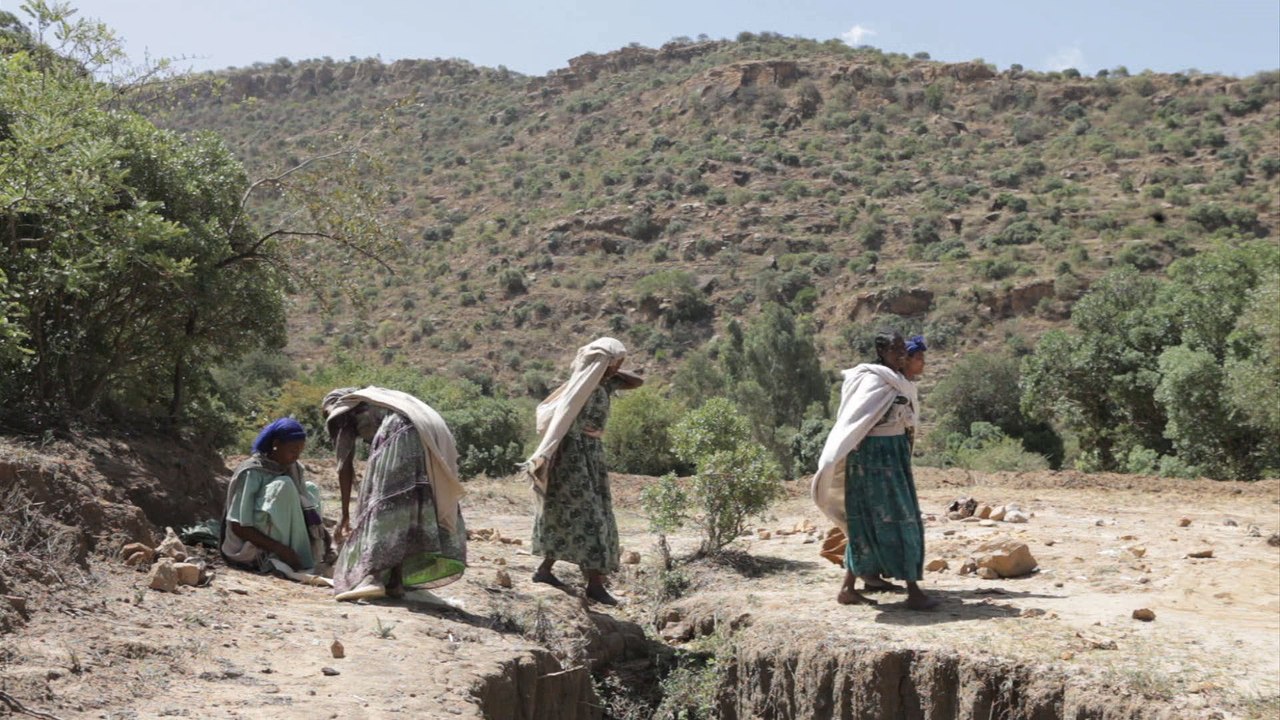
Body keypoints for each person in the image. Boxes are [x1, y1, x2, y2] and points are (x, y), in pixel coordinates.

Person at [811, 330, 937, 610]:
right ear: (881, 351)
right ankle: (912, 592)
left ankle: (850, 588)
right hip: (870, 462)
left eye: (903, 349)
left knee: (888, 520)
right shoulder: (872, 380)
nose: (901, 354)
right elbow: (855, 421)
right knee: (883, 521)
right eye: (895, 349)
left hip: (894, 458)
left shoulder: (899, 382)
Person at [522, 337, 643, 606]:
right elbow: (566, 422)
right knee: (589, 517)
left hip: (592, 457)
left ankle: (544, 571)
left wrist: (607, 366)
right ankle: (594, 586)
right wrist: (599, 365)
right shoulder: (580, 388)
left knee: (574, 514)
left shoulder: (603, 382)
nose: (619, 366)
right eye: (617, 361)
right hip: (573, 458)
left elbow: (637, 381)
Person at [323, 386, 468, 602]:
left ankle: (374, 578)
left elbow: (345, 465)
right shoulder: (380, 401)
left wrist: (344, 514)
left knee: (385, 503)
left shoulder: (342, 411)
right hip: (428, 431)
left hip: (399, 430)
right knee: (407, 502)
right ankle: (395, 582)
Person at [221, 418, 327, 574]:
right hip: (254, 546)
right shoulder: (252, 471)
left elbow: (306, 509)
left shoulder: (294, 468)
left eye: (299, 452)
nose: (296, 457)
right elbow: (239, 526)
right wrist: (281, 550)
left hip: (281, 541)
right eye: (292, 450)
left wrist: (324, 536)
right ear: (276, 444)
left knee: (311, 489)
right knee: (284, 485)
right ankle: (285, 559)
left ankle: (304, 556)